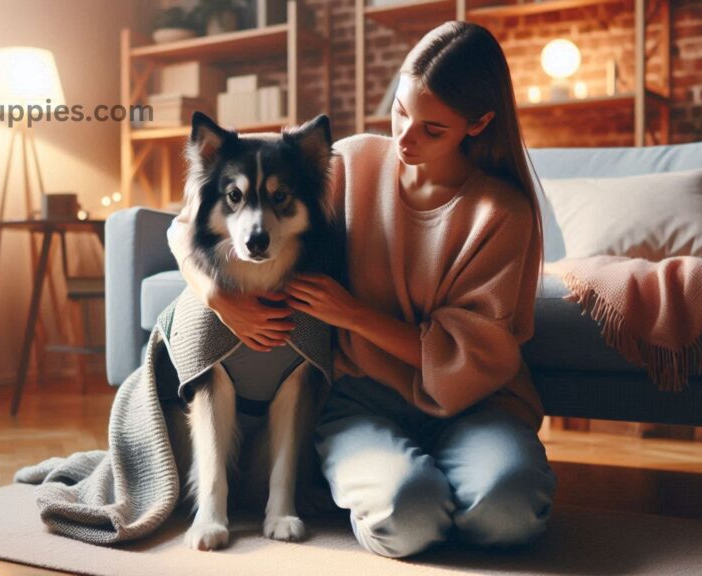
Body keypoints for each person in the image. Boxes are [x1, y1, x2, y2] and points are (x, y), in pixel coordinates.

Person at [168, 21, 556, 559]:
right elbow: (184, 224)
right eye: (400, 110)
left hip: (480, 406)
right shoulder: (349, 161)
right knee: (407, 517)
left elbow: (474, 359)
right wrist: (218, 297)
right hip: (362, 402)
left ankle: (459, 486)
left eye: (432, 128)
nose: (405, 138)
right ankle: (427, 494)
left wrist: (353, 315)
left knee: (507, 513)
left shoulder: (502, 213)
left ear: (479, 123)